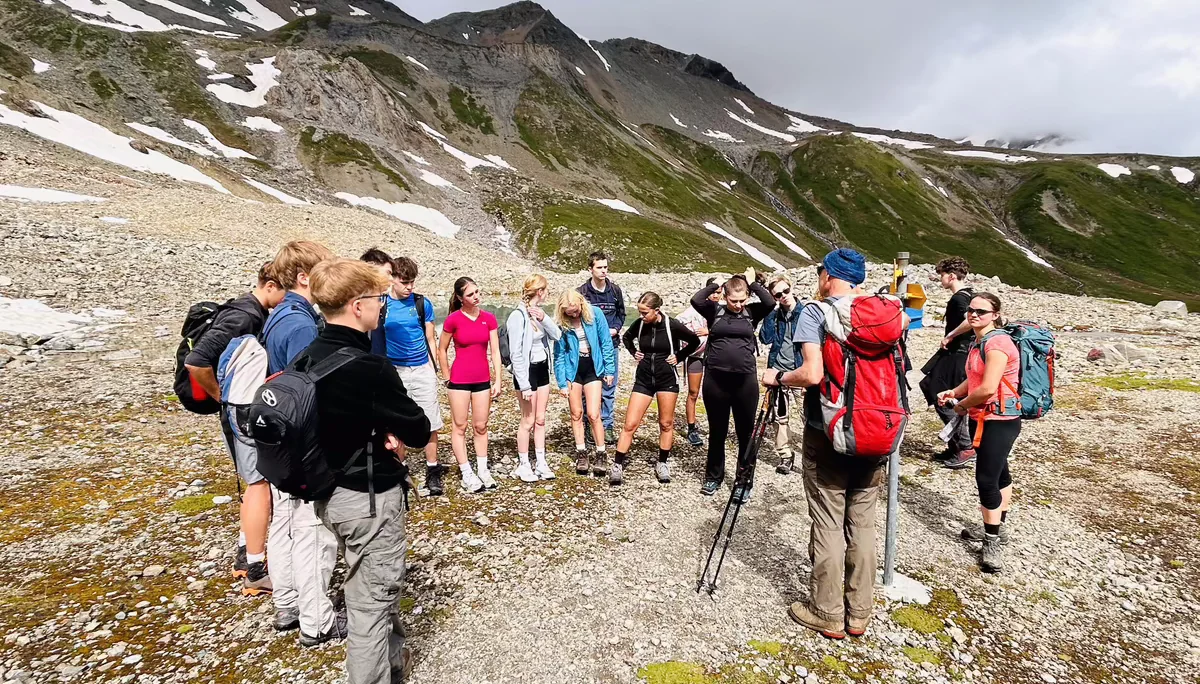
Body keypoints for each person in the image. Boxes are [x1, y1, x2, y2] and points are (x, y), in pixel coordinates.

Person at [297, 258, 431, 684]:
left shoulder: (307, 355)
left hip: (324, 493)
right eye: (377, 299)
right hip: (367, 495)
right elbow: (419, 426)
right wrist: (391, 429)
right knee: (371, 601)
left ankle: (394, 665)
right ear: (357, 305)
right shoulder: (369, 366)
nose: (382, 307)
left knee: (370, 586)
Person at [761, 248, 892, 640]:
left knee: (829, 520)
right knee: (864, 522)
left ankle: (828, 611)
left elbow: (813, 373)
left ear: (826, 276)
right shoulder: (885, 313)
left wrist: (778, 378)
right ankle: (861, 612)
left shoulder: (815, 312)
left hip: (829, 429)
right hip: (877, 429)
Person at [184, 263, 285, 595]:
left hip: (235, 409)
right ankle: (255, 567)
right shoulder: (244, 316)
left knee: (253, 481)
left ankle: (245, 550)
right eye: (283, 291)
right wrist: (219, 396)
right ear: (270, 285)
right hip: (240, 410)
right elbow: (197, 361)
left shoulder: (245, 309)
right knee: (259, 484)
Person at [261, 241, 344, 644]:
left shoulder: (280, 315)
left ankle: (288, 601)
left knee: (285, 523)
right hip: (304, 445)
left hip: (280, 441)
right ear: (303, 277)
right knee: (313, 530)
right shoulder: (301, 326)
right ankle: (316, 620)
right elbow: (310, 391)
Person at [937, 292, 1020, 574]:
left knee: (986, 479)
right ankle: (998, 525)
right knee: (1000, 474)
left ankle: (992, 540)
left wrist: (960, 405)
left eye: (981, 312)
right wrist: (956, 391)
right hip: (985, 416)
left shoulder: (996, 344)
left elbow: (986, 389)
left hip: (997, 419)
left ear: (995, 315)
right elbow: (974, 380)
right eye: (971, 310)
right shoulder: (979, 341)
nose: (973, 315)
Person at [361, 250, 448, 496]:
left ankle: (433, 469)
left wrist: (433, 369)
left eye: (412, 282)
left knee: (430, 419)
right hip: (395, 369)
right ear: (393, 279)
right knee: (396, 421)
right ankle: (402, 469)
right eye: (404, 282)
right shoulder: (382, 304)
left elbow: (430, 337)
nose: (409, 287)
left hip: (421, 367)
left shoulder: (422, 303)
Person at [691, 268, 775, 502]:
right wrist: (716, 283)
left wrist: (752, 283)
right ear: (725, 296)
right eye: (733, 300)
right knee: (717, 431)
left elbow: (769, 302)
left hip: (744, 381)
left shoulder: (752, 311)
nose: (738, 305)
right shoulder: (714, 311)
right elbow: (696, 299)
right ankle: (713, 476)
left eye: (742, 299)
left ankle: (743, 481)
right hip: (716, 380)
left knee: (745, 433)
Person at [611, 292, 701, 485]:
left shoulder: (672, 325)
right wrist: (634, 352)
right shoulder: (640, 324)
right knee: (630, 424)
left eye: (644, 313)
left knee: (666, 423)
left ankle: (662, 463)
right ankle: (617, 464)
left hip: (666, 379)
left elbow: (694, 341)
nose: (641, 316)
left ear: (656, 310)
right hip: (643, 379)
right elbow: (626, 337)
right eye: (639, 312)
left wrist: (679, 356)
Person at [438, 276, 502, 493]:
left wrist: (498, 379)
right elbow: (442, 349)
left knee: (481, 426)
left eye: (477, 292)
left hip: (482, 379)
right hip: (459, 381)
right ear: (459, 297)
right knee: (460, 426)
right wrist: (446, 375)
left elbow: (495, 351)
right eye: (470, 294)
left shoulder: (489, 318)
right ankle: (466, 472)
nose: (476, 297)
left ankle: (483, 469)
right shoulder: (453, 319)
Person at [552, 290, 616, 477]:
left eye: (576, 310)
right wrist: (562, 382)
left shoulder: (595, 313)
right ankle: (581, 453)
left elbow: (605, 342)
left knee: (594, 413)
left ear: (581, 304)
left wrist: (609, 369)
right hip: (573, 369)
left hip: (593, 368)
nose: (574, 314)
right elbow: (559, 354)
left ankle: (601, 452)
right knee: (576, 413)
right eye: (569, 312)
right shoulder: (562, 324)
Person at [919, 257, 975, 467]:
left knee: (939, 393)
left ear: (951, 276)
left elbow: (969, 321)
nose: (940, 278)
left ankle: (965, 446)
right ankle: (956, 445)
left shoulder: (959, 299)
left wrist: (950, 335)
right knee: (938, 389)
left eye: (942, 275)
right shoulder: (971, 294)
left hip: (957, 354)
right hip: (962, 353)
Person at [507, 274, 562, 482]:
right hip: (526, 372)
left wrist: (544, 319)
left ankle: (541, 461)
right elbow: (516, 353)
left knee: (540, 419)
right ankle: (523, 464)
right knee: (527, 420)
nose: (547, 293)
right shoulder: (517, 316)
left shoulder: (539, 313)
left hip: (541, 370)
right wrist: (524, 385)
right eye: (546, 290)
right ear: (540, 291)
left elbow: (557, 335)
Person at [577, 251, 625, 446]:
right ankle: (589, 421)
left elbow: (622, 313)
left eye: (606, 267)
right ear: (591, 269)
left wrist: (616, 329)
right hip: (589, 347)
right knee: (588, 385)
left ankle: (607, 423)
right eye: (599, 267)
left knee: (609, 385)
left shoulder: (615, 290)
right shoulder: (582, 292)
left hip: (611, 345)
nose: (604, 271)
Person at [758, 275, 805, 474]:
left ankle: (816, 456)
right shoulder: (775, 315)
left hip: (800, 371)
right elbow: (765, 338)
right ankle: (785, 455)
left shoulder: (806, 313)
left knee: (808, 416)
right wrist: (770, 312)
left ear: (791, 288)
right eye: (778, 295)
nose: (783, 296)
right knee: (780, 417)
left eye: (785, 291)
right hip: (778, 371)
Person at [675, 277, 719, 447]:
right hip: (697, 356)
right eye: (713, 292)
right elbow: (677, 322)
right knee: (693, 392)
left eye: (718, 292)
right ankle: (692, 428)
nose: (715, 296)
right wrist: (690, 337)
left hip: (716, 357)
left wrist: (709, 331)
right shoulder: (694, 310)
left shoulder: (723, 309)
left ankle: (715, 425)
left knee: (715, 393)